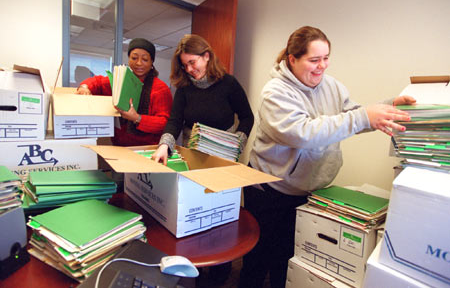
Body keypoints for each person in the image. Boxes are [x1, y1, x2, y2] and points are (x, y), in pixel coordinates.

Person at [238, 26, 416, 288]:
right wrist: (362, 116)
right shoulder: (275, 92)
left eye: (326, 58)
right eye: (314, 60)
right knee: (259, 258)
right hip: (270, 189)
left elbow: (352, 115)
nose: (322, 66)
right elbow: (302, 133)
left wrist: (387, 108)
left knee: (287, 258)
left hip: (307, 188)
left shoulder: (331, 85)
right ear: (292, 59)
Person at [151, 34, 254, 165]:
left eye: (192, 62)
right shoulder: (184, 87)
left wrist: (236, 144)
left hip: (222, 155)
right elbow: (175, 121)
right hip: (192, 155)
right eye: (184, 65)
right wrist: (164, 145)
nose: (189, 69)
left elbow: (247, 117)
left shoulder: (229, 83)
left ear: (206, 56)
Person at [76, 38, 173, 146]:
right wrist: (84, 87)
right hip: (119, 146)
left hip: (146, 148)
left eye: (145, 59)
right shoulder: (121, 80)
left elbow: (164, 123)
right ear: (129, 59)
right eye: (134, 58)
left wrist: (137, 118)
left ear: (151, 63)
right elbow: (97, 81)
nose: (139, 63)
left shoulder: (160, 88)